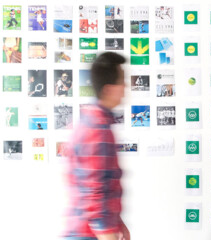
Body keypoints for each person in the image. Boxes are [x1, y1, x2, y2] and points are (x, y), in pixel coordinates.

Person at [62, 52, 130, 240]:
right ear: (109, 89)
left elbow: (101, 185)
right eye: (122, 81)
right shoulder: (97, 129)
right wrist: (108, 235)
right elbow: (95, 193)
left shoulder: (94, 121)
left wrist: (117, 222)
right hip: (88, 235)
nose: (126, 87)